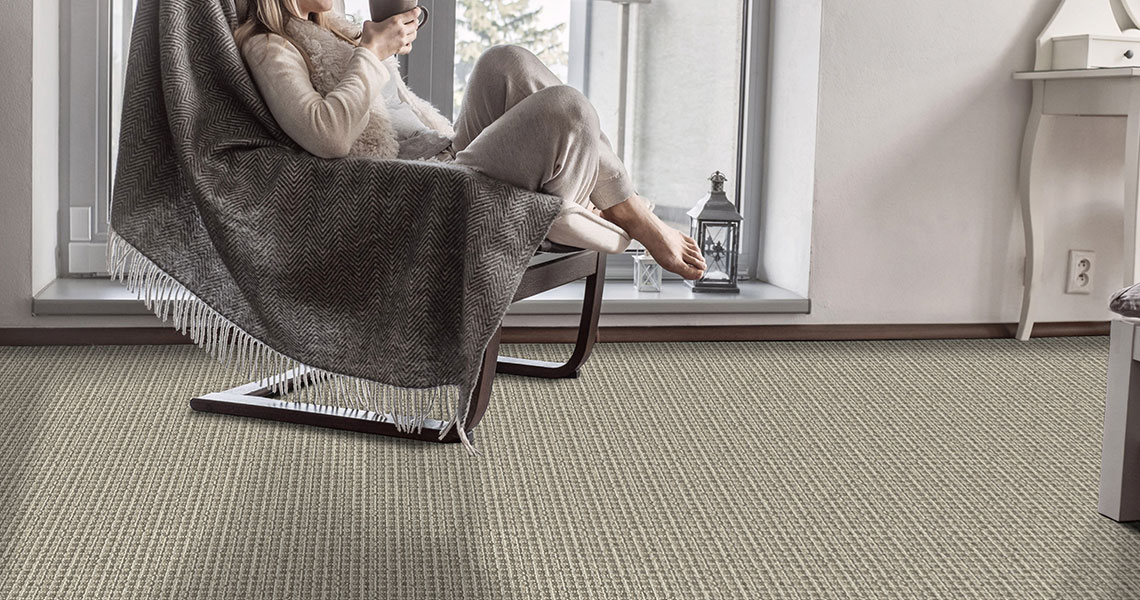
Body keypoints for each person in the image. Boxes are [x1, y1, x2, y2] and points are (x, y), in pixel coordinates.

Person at [234, 0, 706, 279]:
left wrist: (377, 43)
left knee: (505, 61)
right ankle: (612, 213)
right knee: (567, 109)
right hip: (418, 195)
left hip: (445, 160)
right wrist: (372, 53)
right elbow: (328, 136)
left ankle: (590, 206)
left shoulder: (339, 30)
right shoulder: (269, 45)